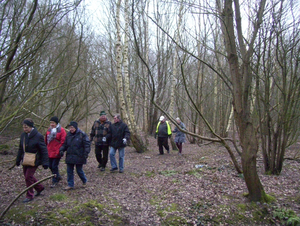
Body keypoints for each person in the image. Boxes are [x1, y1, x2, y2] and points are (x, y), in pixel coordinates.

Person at [16, 118, 49, 203]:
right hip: (25, 159)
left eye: (26, 127)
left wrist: (45, 162)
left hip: (34, 160)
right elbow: (20, 148)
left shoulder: (38, 136)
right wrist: (18, 159)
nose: (24, 129)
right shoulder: (23, 135)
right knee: (28, 177)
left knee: (28, 177)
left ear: (31, 127)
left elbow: (44, 150)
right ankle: (39, 187)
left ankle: (30, 195)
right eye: (23, 127)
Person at [59, 121, 90, 190]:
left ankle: (85, 181)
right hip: (70, 155)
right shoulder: (68, 135)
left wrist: (86, 153)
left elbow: (87, 145)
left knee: (79, 170)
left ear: (75, 127)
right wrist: (61, 150)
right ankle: (70, 184)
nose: (71, 129)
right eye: (70, 128)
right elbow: (65, 144)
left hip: (79, 155)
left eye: (72, 127)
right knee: (69, 170)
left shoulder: (82, 134)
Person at [45, 116, 66, 188]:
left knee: (54, 166)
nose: (52, 124)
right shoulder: (49, 130)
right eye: (51, 123)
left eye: (53, 123)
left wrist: (60, 150)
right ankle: (57, 176)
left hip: (57, 151)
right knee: (50, 166)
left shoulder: (61, 130)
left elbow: (63, 141)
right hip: (49, 150)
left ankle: (55, 180)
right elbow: (46, 140)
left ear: (56, 123)